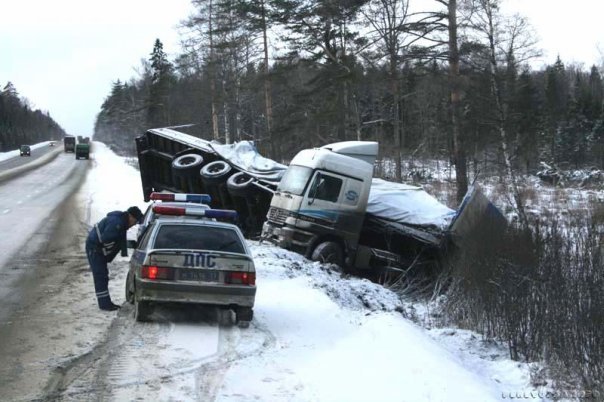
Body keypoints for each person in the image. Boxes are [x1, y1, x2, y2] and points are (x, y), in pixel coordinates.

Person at [86, 206, 144, 311]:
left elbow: (116, 239)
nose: (134, 224)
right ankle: (104, 304)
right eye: (135, 221)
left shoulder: (121, 221)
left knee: (102, 276)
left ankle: (105, 302)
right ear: (130, 216)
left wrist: (128, 244)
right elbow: (106, 239)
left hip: (97, 248)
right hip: (95, 249)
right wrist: (107, 252)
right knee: (100, 276)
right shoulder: (117, 223)